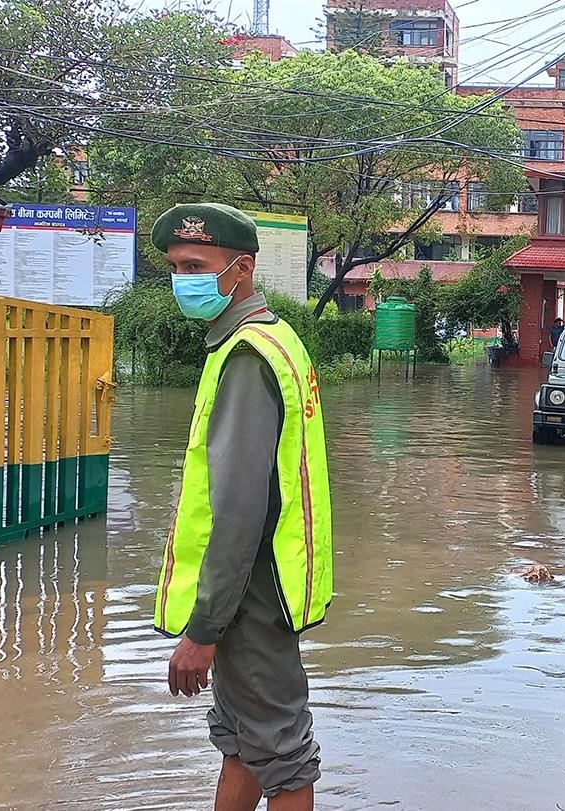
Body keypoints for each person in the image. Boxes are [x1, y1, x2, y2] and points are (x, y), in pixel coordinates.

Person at [150, 203, 332, 811]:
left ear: (242, 268)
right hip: (267, 581)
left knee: (281, 754)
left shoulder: (247, 358)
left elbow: (238, 509)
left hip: (252, 588)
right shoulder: (273, 339)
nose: (183, 280)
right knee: (241, 737)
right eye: (175, 267)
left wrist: (204, 630)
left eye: (196, 265)